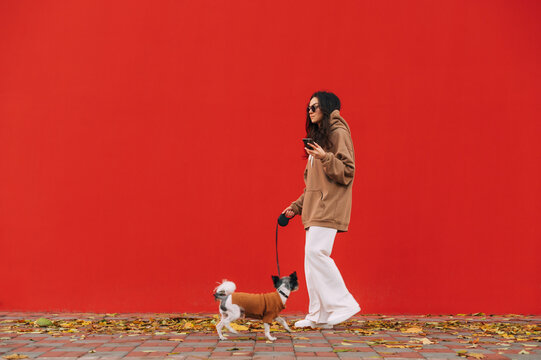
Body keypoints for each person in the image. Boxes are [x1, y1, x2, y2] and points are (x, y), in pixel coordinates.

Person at [282, 91, 360, 328]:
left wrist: (326, 157)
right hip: (315, 209)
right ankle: (317, 314)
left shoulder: (338, 133)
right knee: (311, 260)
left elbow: (348, 171)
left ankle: (344, 304)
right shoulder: (322, 140)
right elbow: (313, 187)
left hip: (329, 207)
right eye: (308, 107)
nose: (310, 110)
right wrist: (295, 208)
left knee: (317, 254)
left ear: (327, 108)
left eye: (314, 106)